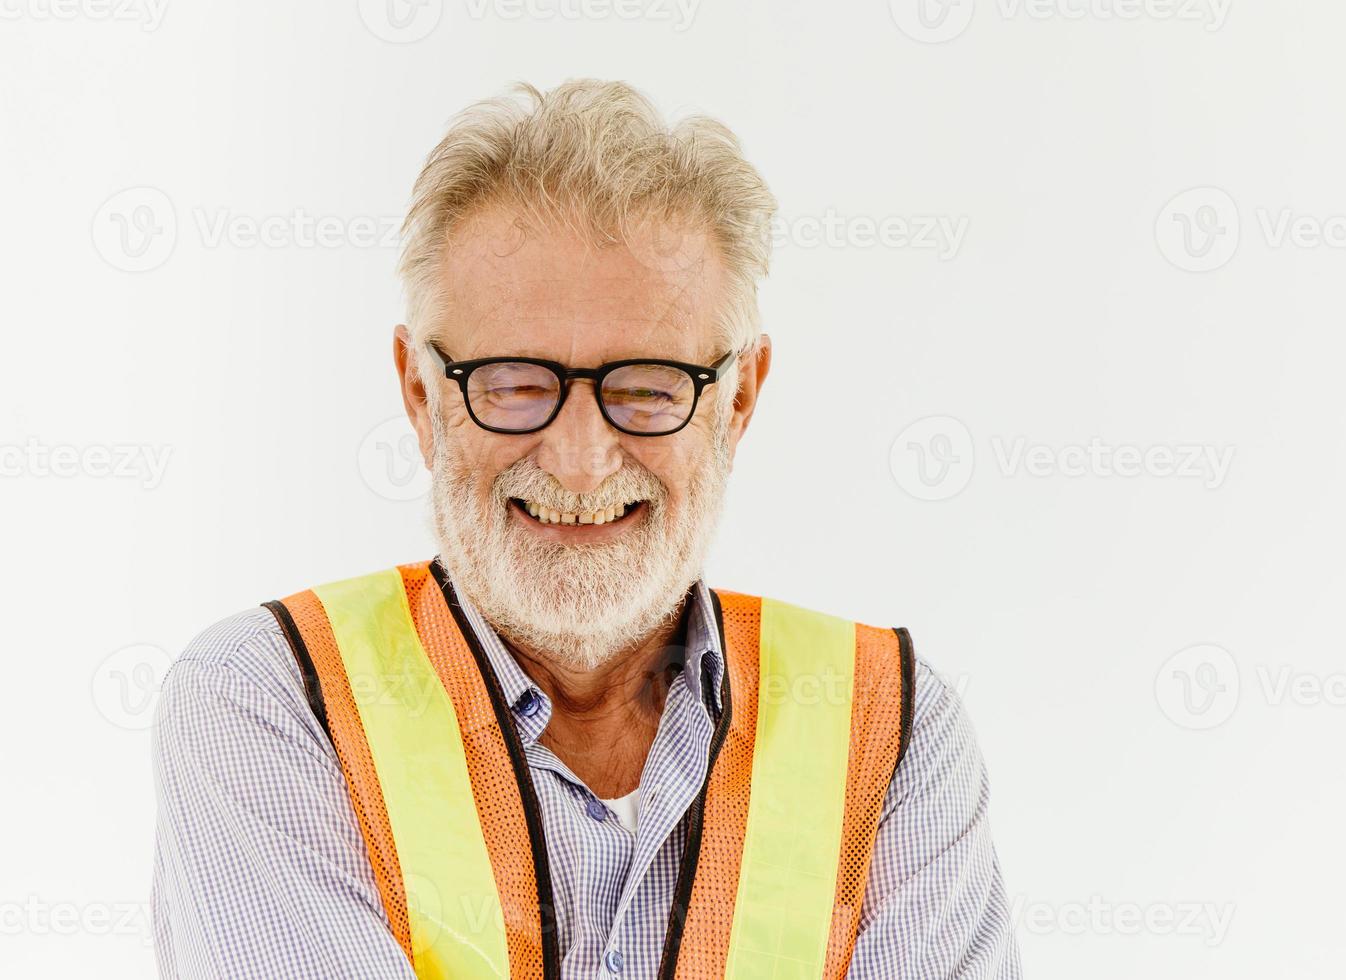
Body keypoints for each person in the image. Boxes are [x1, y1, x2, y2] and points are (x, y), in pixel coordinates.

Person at [150, 78, 1024, 979]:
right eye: (513, 382)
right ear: (421, 396)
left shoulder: (891, 726)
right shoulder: (272, 701)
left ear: (739, 400)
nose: (578, 459)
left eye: (647, 386)